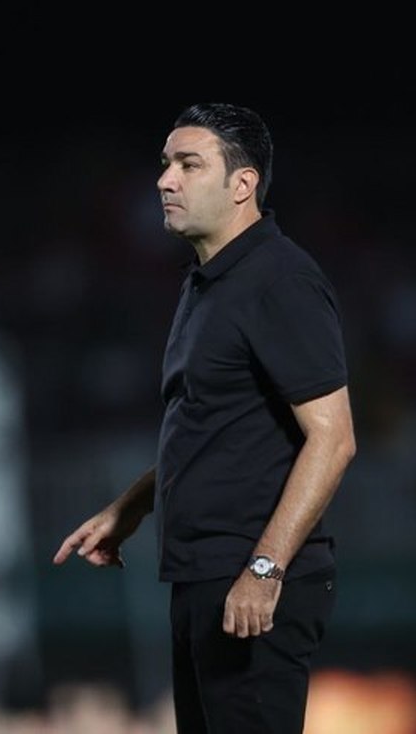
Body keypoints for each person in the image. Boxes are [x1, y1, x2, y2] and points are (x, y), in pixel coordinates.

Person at [53, 102, 357, 733]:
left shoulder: (280, 280)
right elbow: (213, 427)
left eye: (189, 165)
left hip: (252, 580)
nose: (165, 180)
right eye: (166, 164)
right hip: (203, 577)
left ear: (243, 183)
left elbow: (333, 439)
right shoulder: (208, 283)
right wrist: (132, 507)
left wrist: (264, 570)